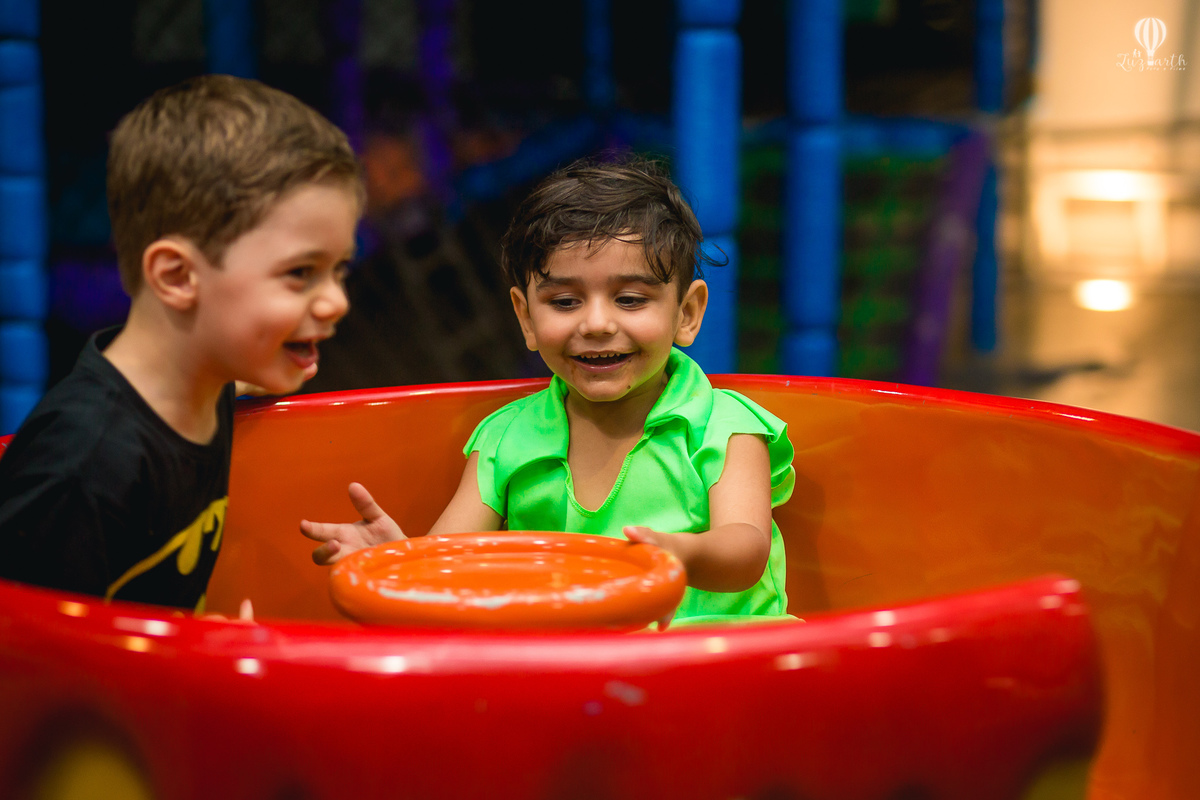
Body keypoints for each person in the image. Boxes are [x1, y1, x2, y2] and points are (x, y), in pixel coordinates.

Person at [302, 157, 794, 626]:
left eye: (629, 299)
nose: (596, 324)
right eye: (564, 302)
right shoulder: (506, 439)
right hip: (562, 660)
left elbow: (745, 550)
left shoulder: (724, 425)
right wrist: (400, 562)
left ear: (686, 314)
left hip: (711, 652)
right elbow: (448, 565)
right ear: (526, 318)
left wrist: (678, 553)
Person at [0, 75, 363, 612]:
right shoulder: (82, 469)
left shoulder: (203, 386)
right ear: (176, 276)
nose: (336, 302)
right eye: (300, 272)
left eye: (340, 270)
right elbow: (29, 656)